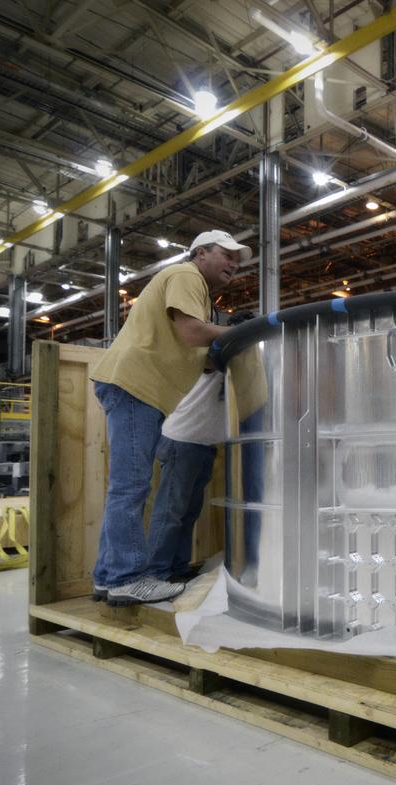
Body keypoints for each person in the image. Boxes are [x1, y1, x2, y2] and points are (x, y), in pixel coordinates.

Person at [89, 230, 251, 607]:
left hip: (140, 391)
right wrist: (240, 332)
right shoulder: (186, 276)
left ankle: (107, 577)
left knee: (129, 488)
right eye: (226, 255)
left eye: (237, 260)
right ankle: (127, 579)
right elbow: (193, 334)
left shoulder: (201, 297)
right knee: (130, 487)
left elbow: (203, 357)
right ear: (200, 253)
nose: (233, 264)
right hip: (135, 386)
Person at [146, 311, 265, 583]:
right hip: (182, 440)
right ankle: (157, 572)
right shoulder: (215, 351)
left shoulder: (242, 362)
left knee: (187, 513)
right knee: (171, 512)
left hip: (201, 444)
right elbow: (212, 361)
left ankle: (176, 567)